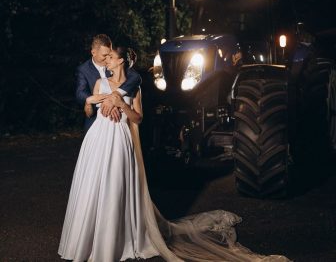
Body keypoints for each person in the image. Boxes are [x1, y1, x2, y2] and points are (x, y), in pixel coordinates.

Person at [59, 45, 291, 262]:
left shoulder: (134, 86)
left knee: (118, 186)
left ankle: (118, 240)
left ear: (121, 60)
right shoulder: (100, 82)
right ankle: (89, 241)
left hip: (120, 139)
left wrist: (121, 105)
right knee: (95, 186)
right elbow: (89, 106)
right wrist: (96, 101)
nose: (106, 60)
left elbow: (138, 118)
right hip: (100, 138)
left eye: (110, 57)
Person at [75, 34, 141, 132]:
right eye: (104, 55)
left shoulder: (114, 63)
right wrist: (105, 102)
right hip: (96, 122)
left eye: (109, 54)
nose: (107, 59)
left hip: (121, 125)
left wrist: (115, 95)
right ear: (93, 52)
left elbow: (136, 77)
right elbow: (80, 94)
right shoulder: (83, 70)